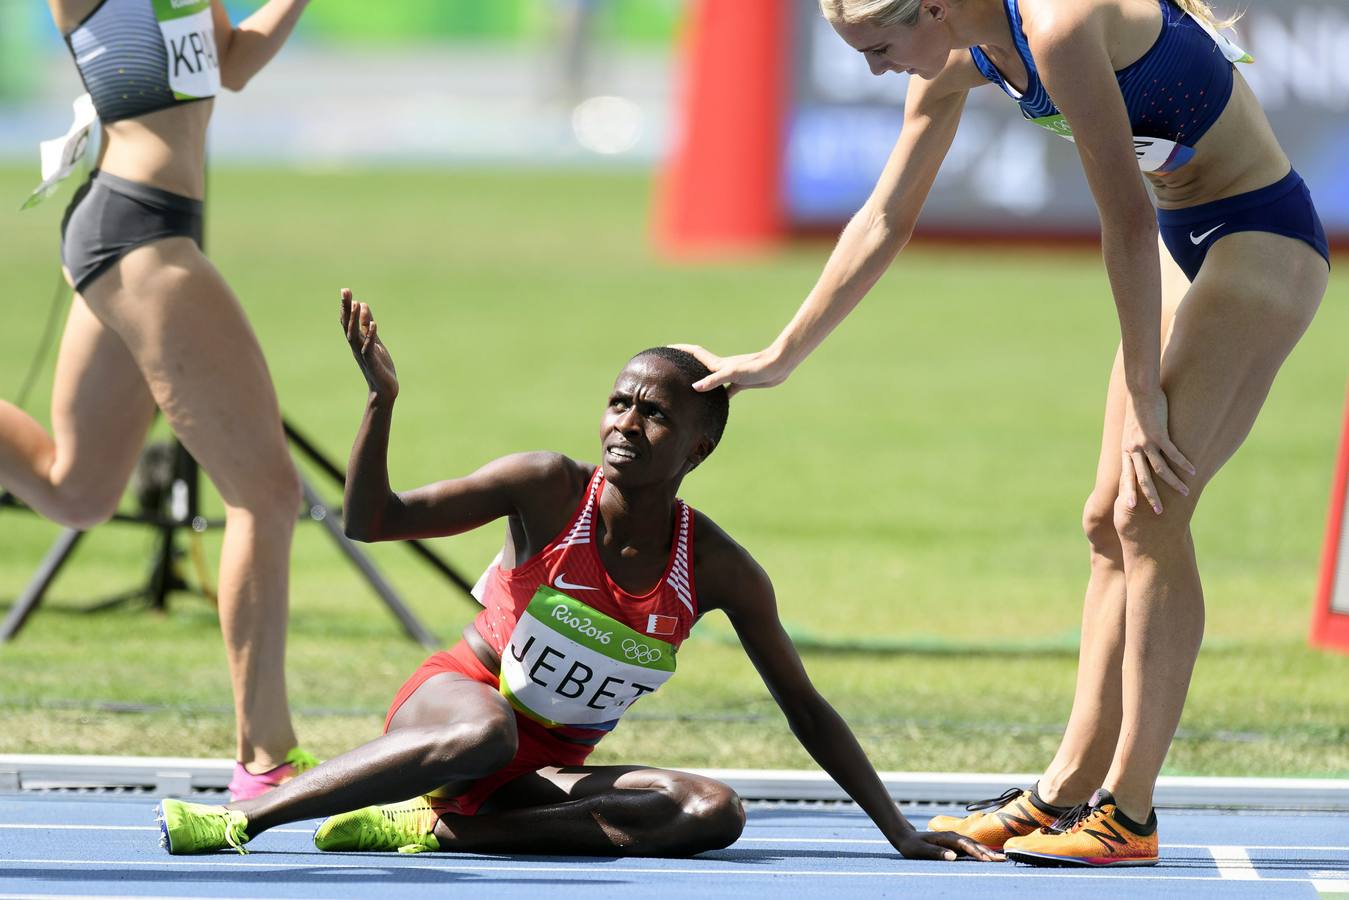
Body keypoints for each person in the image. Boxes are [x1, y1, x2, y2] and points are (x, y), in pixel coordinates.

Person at [677, 0, 1329, 868]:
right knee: (1106, 522)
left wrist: (1141, 390)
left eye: (878, 46)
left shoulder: (1056, 29)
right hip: (1184, 240)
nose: (874, 69)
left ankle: (1128, 816)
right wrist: (782, 353)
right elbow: (882, 217)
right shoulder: (956, 56)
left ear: (933, 9)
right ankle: (1061, 791)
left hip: (1258, 238)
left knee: (1149, 515)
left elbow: (1123, 222)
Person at [153, 290, 1001, 863]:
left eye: (655, 412)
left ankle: (436, 828)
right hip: (452, 709)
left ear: (698, 447)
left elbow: (804, 706)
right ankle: (242, 819)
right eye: (619, 401)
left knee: (711, 812)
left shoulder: (716, 568)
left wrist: (898, 833)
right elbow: (376, 523)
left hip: (542, 771)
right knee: (485, 731)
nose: (625, 423)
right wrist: (381, 403)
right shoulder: (547, 488)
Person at [2, 0, 319, 798]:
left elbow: (232, 64)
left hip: (142, 227)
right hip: (139, 232)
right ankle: (266, 759)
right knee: (267, 496)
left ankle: (264, 755)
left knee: (76, 491)